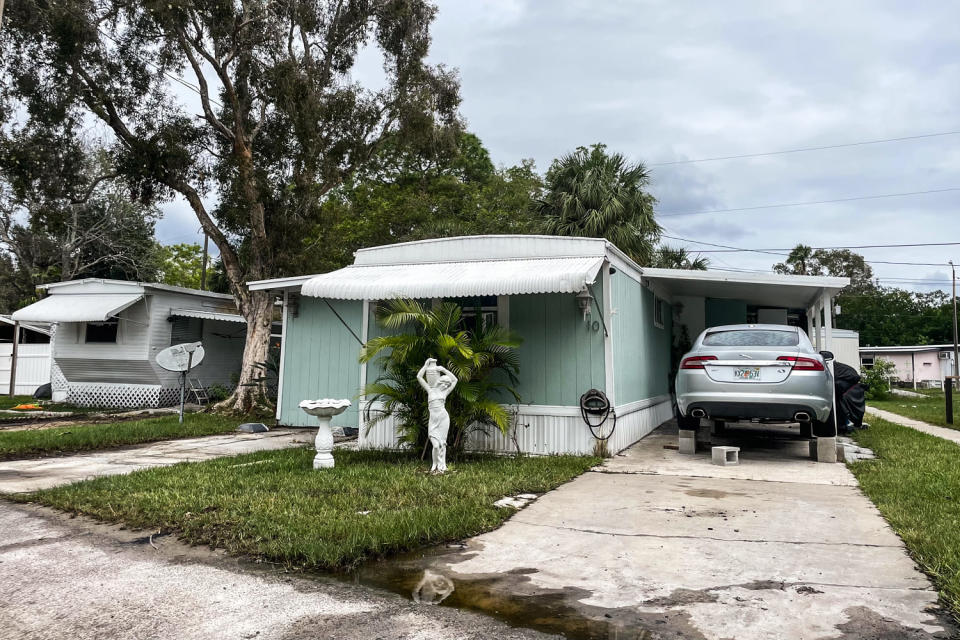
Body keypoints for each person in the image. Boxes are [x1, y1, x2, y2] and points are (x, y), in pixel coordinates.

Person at [417, 358, 458, 474]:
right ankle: (435, 465)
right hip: (433, 420)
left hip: (444, 418)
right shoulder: (430, 390)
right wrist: (425, 366)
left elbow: (455, 380)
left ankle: (442, 466)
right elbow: (419, 377)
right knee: (435, 445)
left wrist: (444, 369)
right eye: (444, 383)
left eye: (447, 384)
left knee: (443, 443)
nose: (446, 385)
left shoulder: (445, 392)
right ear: (439, 381)